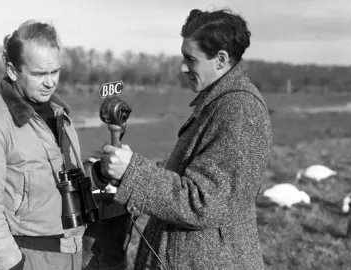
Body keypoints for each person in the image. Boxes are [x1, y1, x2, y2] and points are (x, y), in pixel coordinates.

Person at [96, 8, 273, 270]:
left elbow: (205, 202)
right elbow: (188, 177)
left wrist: (132, 172)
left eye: (190, 59)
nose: (182, 68)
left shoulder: (240, 111)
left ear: (221, 59)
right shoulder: (219, 103)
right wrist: (125, 170)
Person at [0, 20, 86, 270]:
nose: (50, 82)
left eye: (55, 71)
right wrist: (14, 265)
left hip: (73, 255)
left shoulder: (62, 115)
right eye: (39, 74)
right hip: (27, 257)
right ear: (13, 70)